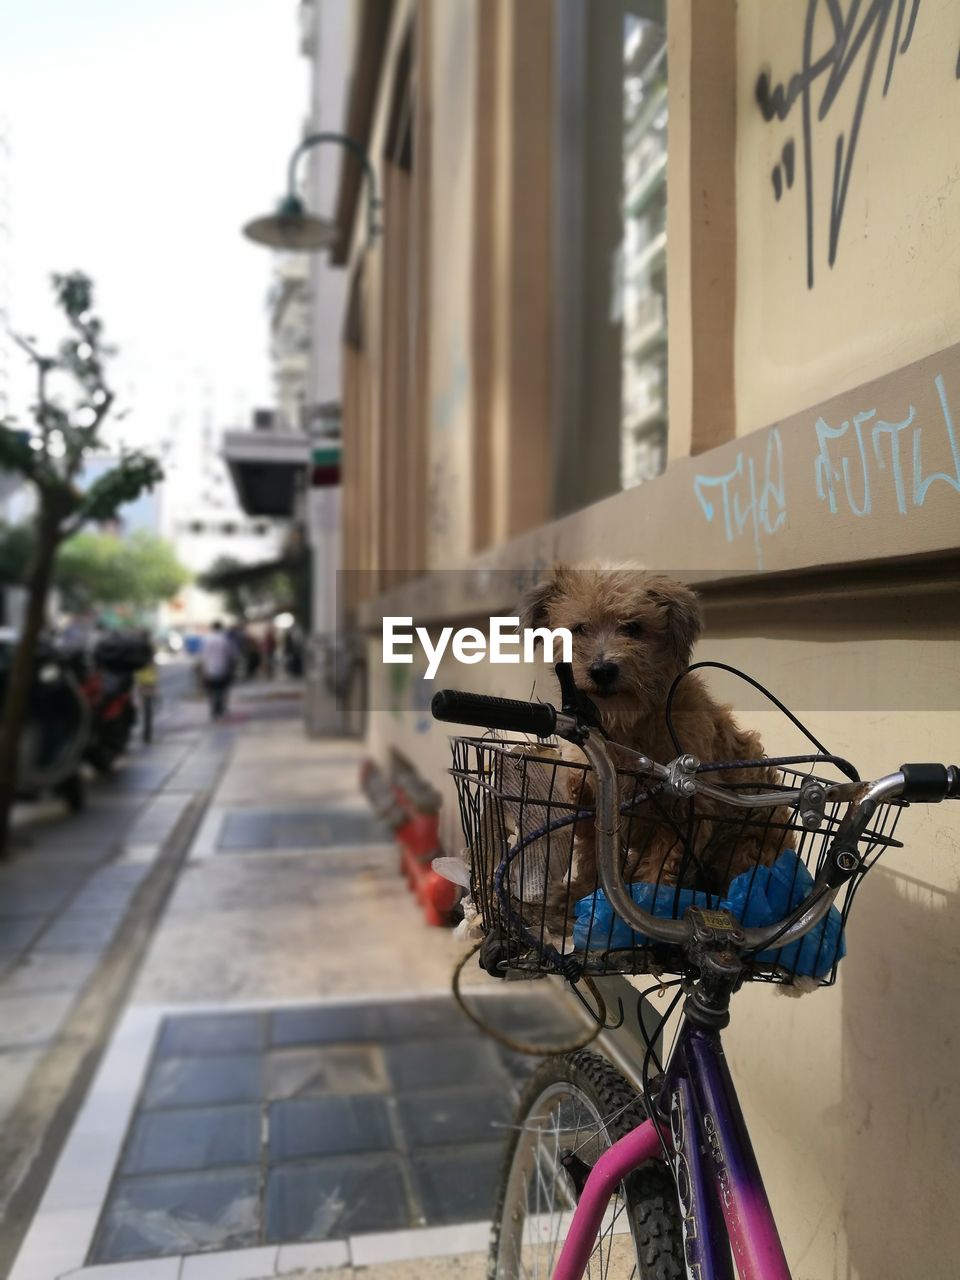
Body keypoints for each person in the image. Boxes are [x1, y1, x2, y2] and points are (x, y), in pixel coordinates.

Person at [200, 621, 236, 720]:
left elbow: (203, 655)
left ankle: (214, 708)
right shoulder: (224, 639)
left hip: (210, 668)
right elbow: (230, 654)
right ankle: (219, 707)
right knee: (221, 690)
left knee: (212, 691)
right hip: (223, 668)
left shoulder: (206, 639)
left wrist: (204, 669)